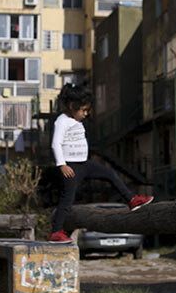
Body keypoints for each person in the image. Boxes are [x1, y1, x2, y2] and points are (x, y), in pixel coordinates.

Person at [48, 85, 153, 242]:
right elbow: (56, 144)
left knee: (110, 174)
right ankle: (56, 232)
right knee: (67, 199)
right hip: (70, 167)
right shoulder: (61, 121)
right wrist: (62, 164)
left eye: (87, 110)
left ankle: (132, 200)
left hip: (85, 164)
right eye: (83, 110)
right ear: (72, 106)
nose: (86, 114)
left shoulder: (76, 121)